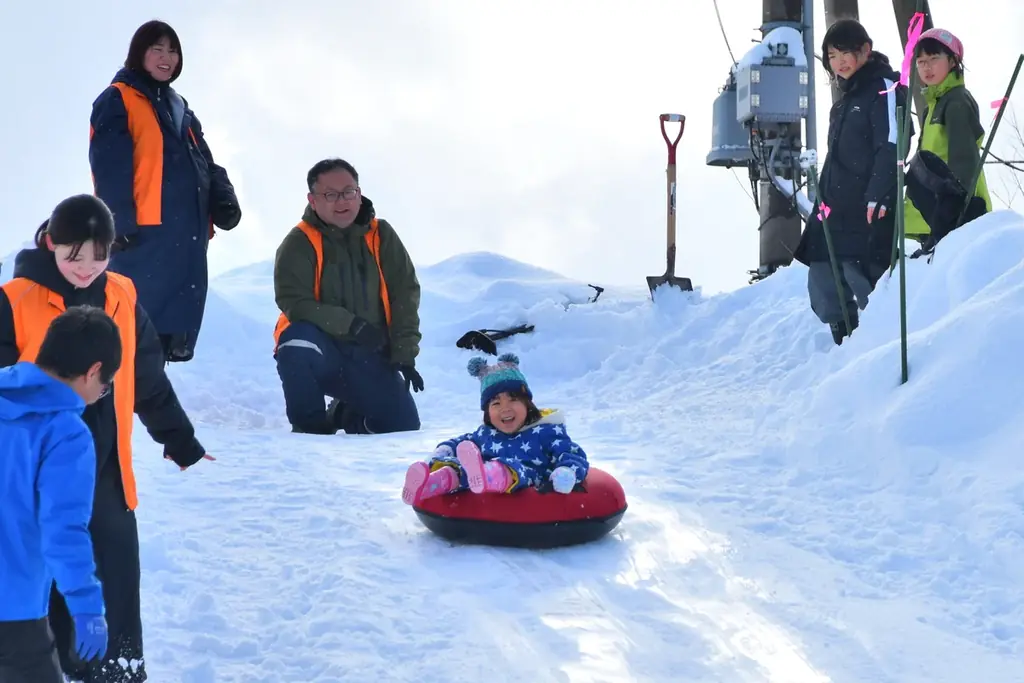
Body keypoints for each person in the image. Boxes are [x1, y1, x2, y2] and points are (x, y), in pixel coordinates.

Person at [0, 194, 214, 683]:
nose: (87, 268)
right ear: (51, 243)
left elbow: (146, 378)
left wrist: (180, 440)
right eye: (75, 255)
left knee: (115, 582)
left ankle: (118, 673)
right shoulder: (13, 300)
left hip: (106, 468)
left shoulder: (122, 294)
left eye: (100, 255)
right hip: (36, 470)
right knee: (45, 586)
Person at [89, 19, 242, 364]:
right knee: (129, 339)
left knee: (159, 346)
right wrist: (118, 225)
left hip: (186, 238)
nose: (166, 57)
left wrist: (223, 197)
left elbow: (204, 160)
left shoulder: (179, 107)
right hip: (143, 237)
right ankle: (104, 413)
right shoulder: (118, 99)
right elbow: (109, 167)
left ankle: (139, 410)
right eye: (156, 48)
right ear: (138, 54)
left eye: (172, 50)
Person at [0, 306, 121, 683]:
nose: (101, 393)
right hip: (13, 612)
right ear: (92, 372)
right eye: (106, 385)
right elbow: (62, 529)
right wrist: (86, 605)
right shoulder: (65, 433)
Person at [273, 158, 423, 435]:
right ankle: (310, 429)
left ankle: (346, 415)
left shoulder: (383, 235)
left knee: (402, 425)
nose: (341, 201)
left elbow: (405, 294)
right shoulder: (299, 241)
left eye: (349, 192)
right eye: (330, 194)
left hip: (369, 353)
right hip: (322, 351)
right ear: (313, 199)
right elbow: (294, 302)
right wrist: (350, 325)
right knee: (295, 344)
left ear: (359, 192)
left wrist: (404, 353)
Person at [793, 18, 912, 345]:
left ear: (866, 51)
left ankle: (874, 345)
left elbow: (893, 142)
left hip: (866, 203)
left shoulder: (885, 87)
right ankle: (843, 341)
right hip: (833, 203)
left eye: (847, 52)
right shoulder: (846, 98)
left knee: (862, 275)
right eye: (832, 55)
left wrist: (879, 194)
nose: (840, 61)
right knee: (822, 271)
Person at [401, 353, 589, 504]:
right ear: (487, 412)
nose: (505, 408)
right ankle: (426, 486)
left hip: (527, 477)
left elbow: (571, 453)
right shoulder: (486, 433)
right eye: (496, 403)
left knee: (508, 468)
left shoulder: (546, 431)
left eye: (513, 400)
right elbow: (463, 442)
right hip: (476, 477)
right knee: (458, 470)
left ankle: (486, 475)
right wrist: (444, 450)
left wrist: (567, 471)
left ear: (528, 404)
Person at [904, 28, 991, 250]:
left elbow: (963, 159)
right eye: (921, 61)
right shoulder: (933, 104)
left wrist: (959, 206)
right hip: (935, 209)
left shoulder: (956, 101)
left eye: (934, 59)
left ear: (953, 61)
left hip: (954, 209)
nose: (926, 67)